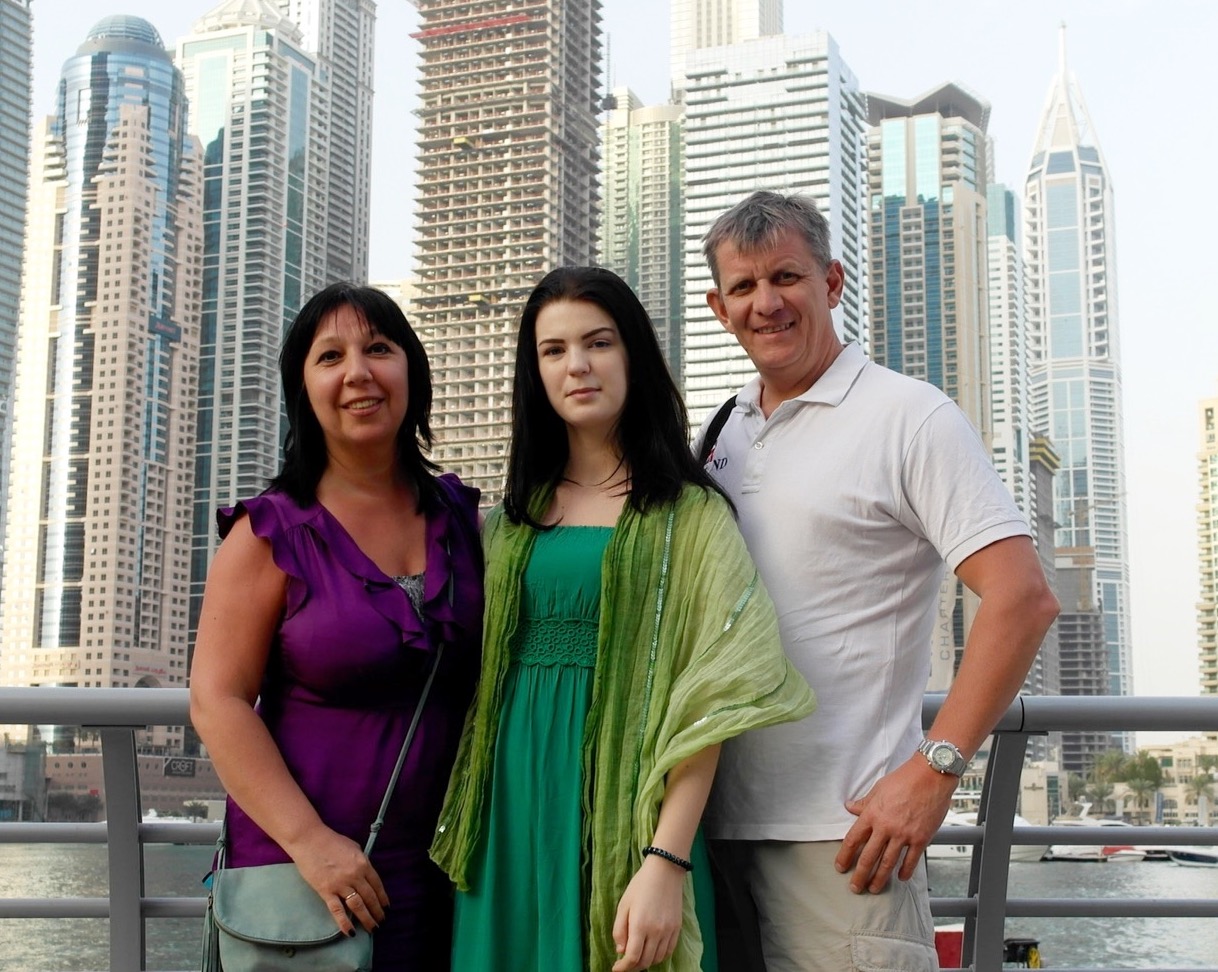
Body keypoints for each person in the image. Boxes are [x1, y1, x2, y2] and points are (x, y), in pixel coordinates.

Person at [695, 191, 1060, 971]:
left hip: (847, 836)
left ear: (831, 282)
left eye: (786, 277)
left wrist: (935, 771)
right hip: (710, 832)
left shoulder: (909, 417)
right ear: (719, 309)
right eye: (744, 286)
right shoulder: (722, 431)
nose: (766, 303)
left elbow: (1022, 596)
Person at [429, 266, 815, 972]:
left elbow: (709, 704)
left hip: (634, 823)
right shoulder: (508, 522)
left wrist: (665, 861)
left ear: (633, 355)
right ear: (535, 373)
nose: (576, 365)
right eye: (553, 350)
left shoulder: (690, 517)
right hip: (507, 813)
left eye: (598, 342)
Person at [190, 283, 483, 969]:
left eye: (378, 349)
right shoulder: (269, 533)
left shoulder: (463, 520)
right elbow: (216, 701)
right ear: (303, 388)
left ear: (411, 370)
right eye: (330, 357)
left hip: (446, 873)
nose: (358, 373)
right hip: (305, 880)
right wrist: (311, 843)